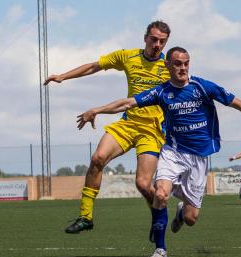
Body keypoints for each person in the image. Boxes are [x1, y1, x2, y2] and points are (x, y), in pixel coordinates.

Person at [76, 46, 241, 257]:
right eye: (177, 64)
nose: (183, 68)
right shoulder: (162, 92)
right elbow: (128, 103)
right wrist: (96, 110)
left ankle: (181, 212)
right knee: (160, 194)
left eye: (186, 63)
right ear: (167, 66)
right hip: (172, 153)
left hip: (199, 158)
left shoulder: (203, 86)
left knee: (191, 218)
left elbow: (237, 102)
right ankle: (160, 249)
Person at [44, 21, 171, 233]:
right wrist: (63, 76)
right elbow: (95, 66)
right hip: (128, 123)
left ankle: (158, 213)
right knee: (97, 159)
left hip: (152, 130)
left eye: (162, 41)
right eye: (154, 39)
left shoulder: (169, 66)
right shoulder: (127, 56)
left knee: (142, 184)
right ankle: (86, 217)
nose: (157, 44)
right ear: (145, 38)